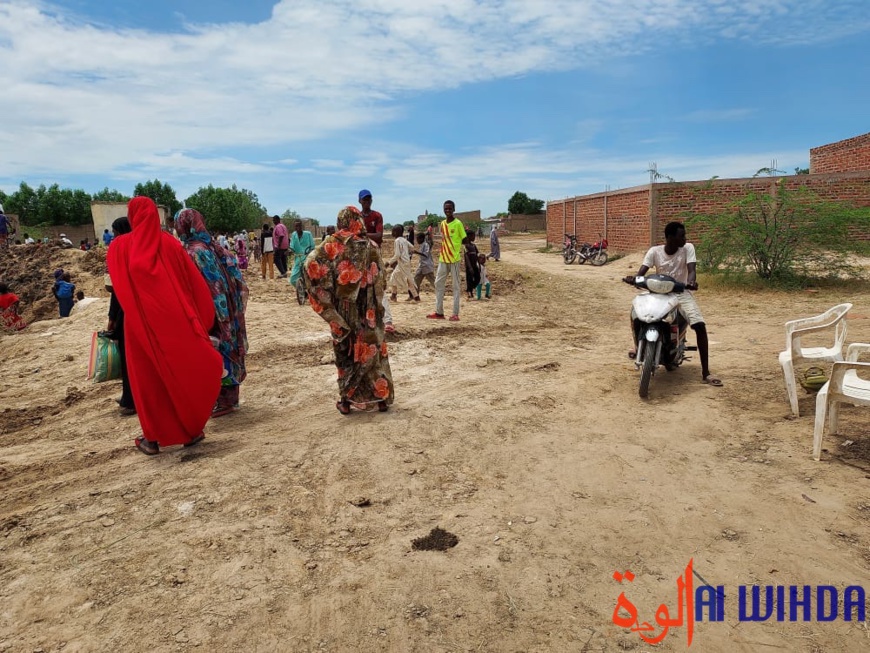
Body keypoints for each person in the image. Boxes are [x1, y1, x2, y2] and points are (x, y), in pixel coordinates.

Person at [108, 197, 223, 455]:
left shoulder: (119, 248)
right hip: (176, 324)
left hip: (138, 327)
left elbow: (117, 286)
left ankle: (152, 439)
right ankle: (191, 431)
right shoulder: (170, 244)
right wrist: (202, 320)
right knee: (181, 373)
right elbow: (193, 284)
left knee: (148, 382)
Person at [304, 206, 394, 414]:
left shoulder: (332, 244)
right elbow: (381, 279)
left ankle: (346, 401)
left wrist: (332, 291)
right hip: (369, 309)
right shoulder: (371, 246)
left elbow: (310, 264)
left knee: (347, 351)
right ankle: (380, 399)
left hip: (344, 310)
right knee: (372, 351)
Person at [623, 221, 722, 387]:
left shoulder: (687, 248)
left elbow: (691, 271)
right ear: (669, 237)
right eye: (681, 235)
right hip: (657, 291)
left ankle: (706, 373)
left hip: (680, 292)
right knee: (637, 315)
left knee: (699, 326)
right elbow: (641, 272)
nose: (685, 238)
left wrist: (691, 282)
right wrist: (634, 279)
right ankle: (638, 345)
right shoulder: (654, 251)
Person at [176, 208, 249, 416]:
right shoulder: (215, 247)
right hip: (228, 309)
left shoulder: (193, 251)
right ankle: (230, 398)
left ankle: (223, 401)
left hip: (210, 313)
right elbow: (237, 279)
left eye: (177, 223)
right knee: (228, 347)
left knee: (214, 351)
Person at [105, 217, 136, 415]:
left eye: (115, 232)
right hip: (139, 311)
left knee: (129, 359)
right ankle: (130, 397)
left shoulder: (120, 250)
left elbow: (118, 289)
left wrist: (112, 317)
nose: (114, 236)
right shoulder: (139, 248)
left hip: (127, 313)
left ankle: (130, 400)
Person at [359, 189, 395, 333]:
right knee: (361, 289)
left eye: (369, 199)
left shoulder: (376, 216)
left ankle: (388, 321)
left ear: (371, 201)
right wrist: (369, 236)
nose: (367, 202)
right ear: (360, 201)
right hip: (360, 256)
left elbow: (379, 237)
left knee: (378, 287)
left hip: (374, 256)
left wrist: (362, 234)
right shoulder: (357, 217)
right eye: (364, 200)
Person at [427, 200, 466, 321]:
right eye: (446, 208)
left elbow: (464, 239)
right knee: (438, 284)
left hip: (454, 260)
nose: (447, 210)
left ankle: (455, 313)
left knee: (456, 286)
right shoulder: (442, 224)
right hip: (443, 259)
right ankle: (439, 312)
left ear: (454, 209)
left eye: (450, 208)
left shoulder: (458, 223)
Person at [386, 225, 419, 302]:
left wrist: (389, 262)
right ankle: (416, 297)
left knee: (395, 277)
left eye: (392, 231)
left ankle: (394, 296)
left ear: (396, 232)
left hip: (402, 263)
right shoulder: (404, 240)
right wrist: (407, 252)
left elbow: (397, 255)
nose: (392, 233)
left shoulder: (397, 241)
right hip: (406, 262)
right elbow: (412, 247)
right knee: (407, 279)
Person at [289, 219, 315, 290]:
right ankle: (302, 291)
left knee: (312, 275)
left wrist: (310, 252)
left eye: (299, 226)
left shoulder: (308, 234)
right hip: (298, 258)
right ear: (294, 227)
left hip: (308, 257)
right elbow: (292, 246)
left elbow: (312, 246)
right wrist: (289, 251)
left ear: (302, 226)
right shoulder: (294, 235)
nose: (298, 227)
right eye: (296, 226)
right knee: (292, 279)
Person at [463, 232, 480, 300]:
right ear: (469, 237)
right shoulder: (466, 246)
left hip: (475, 265)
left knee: (478, 278)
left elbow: (477, 255)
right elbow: (466, 257)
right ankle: (470, 291)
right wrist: (470, 267)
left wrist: (479, 264)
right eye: (473, 236)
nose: (474, 238)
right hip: (469, 266)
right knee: (469, 279)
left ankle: (470, 289)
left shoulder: (474, 246)